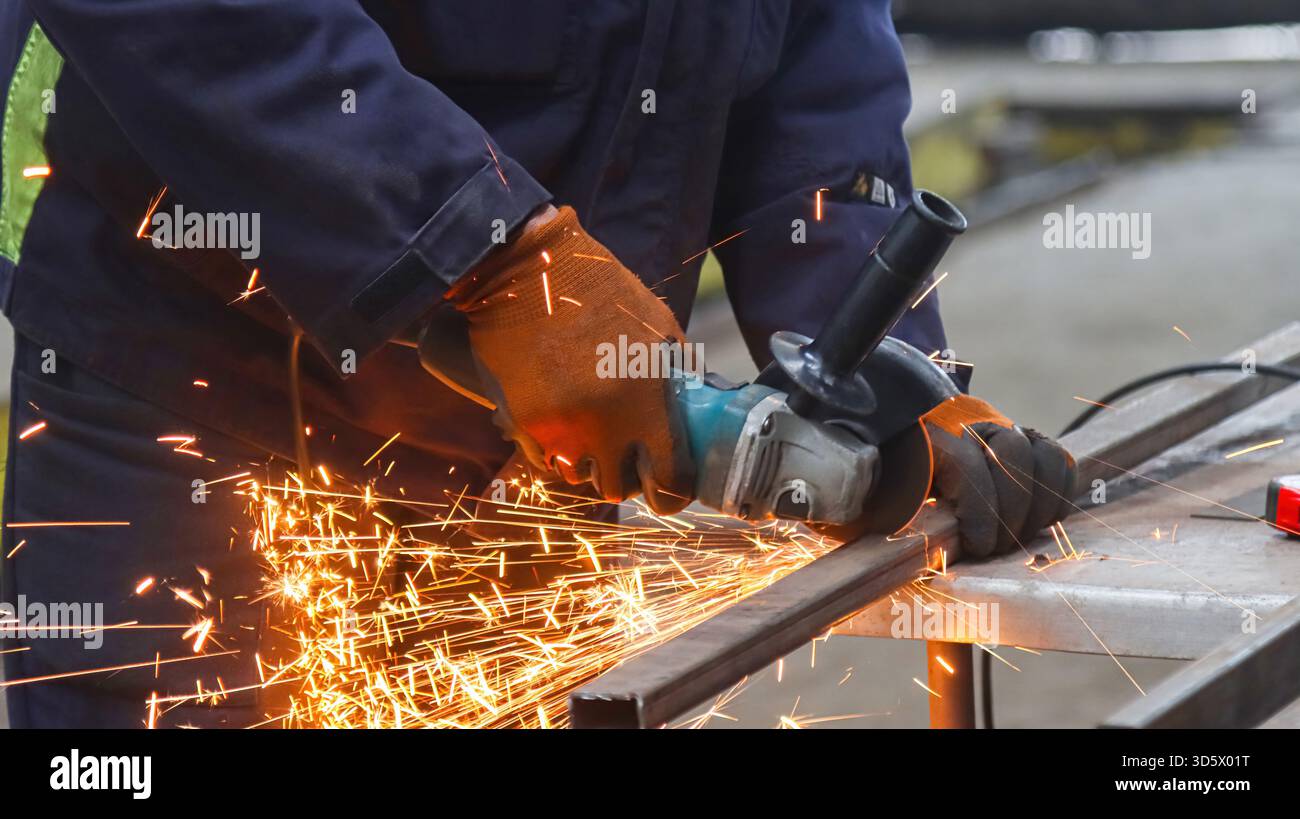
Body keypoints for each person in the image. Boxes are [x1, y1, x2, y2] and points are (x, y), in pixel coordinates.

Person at [0, 0, 1073, 728]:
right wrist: (490, 254)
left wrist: (884, 373)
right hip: (205, 409)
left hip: (541, 452)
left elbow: (815, 67)